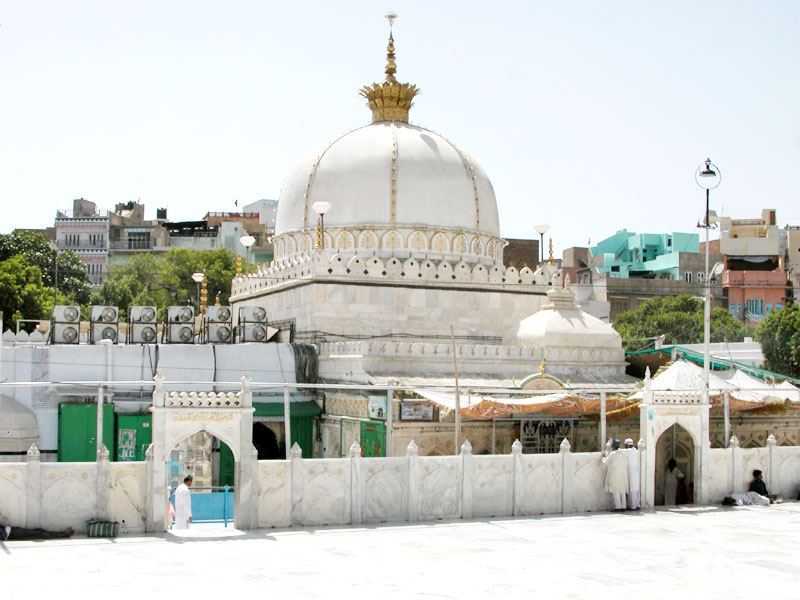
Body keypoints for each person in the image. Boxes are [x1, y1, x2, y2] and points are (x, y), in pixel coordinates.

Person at [603, 439, 629, 512]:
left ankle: (618, 507)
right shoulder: (623, 454)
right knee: (622, 491)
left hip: (615, 475)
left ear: (613, 446)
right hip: (623, 475)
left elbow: (605, 462)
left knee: (616, 491)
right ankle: (623, 506)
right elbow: (626, 464)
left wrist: (604, 456)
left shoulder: (612, 454)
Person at [0, 523, 74, 541]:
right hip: (13, 533)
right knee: (40, 533)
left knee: (39, 531)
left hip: (13, 531)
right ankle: (64, 534)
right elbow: (3, 535)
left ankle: (63, 534)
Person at [623, 438, 640, 510]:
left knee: (631, 489)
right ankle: (637, 505)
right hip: (636, 473)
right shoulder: (636, 451)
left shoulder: (627, 451)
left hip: (630, 473)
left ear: (626, 445)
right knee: (636, 489)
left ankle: (632, 506)